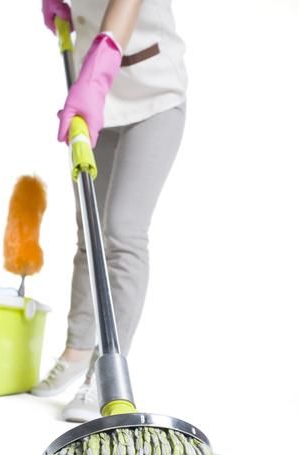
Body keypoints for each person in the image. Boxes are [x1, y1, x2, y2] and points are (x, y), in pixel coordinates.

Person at [32, 0, 187, 422]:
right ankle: (76, 352)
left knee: (122, 231)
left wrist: (97, 74)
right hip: (95, 101)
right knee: (89, 229)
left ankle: (106, 372)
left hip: (152, 96)